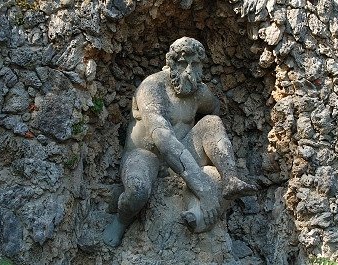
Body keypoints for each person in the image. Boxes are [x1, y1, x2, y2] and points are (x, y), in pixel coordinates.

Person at [103, 37, 257, 247]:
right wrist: (204, 188)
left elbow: (214, 110)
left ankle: (230, 179)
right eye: (183, 63)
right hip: (146, 155)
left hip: (183, 151)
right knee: (138, 190)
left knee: (212, 123)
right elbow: (164, 140)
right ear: (171, 63)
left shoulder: (199, 92)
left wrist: (205, 137)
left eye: (195, 65)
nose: (188, 71)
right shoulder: (152, 87)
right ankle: (121, 219)